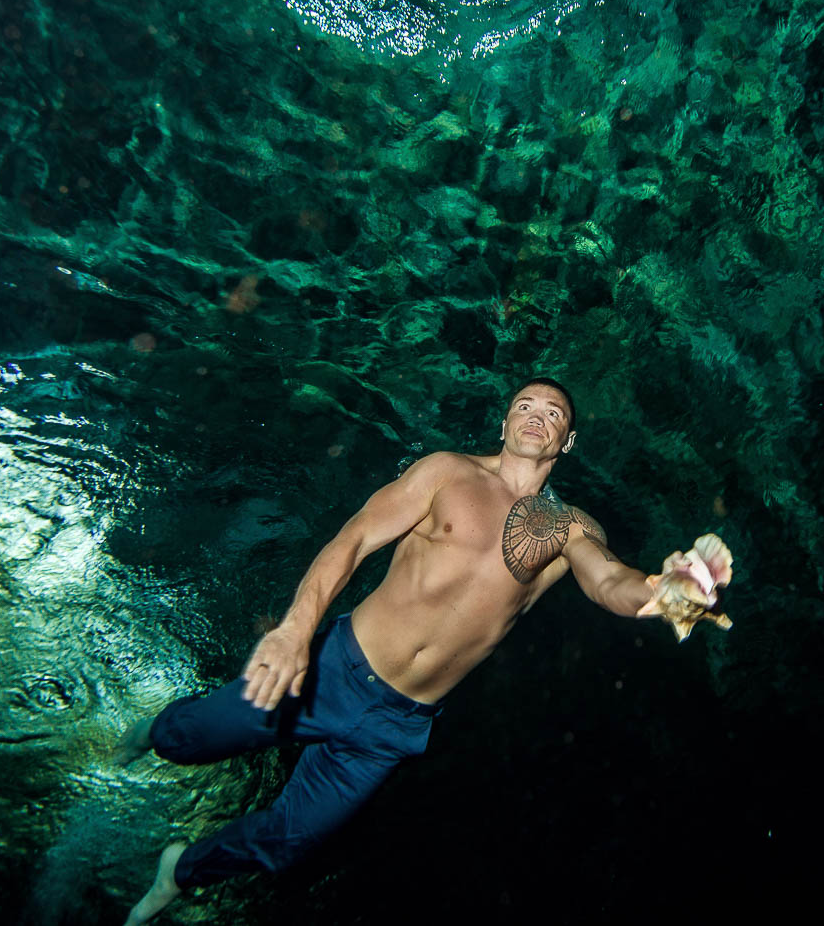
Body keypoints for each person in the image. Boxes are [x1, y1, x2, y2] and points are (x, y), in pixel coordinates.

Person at [117, 377, 729, 924]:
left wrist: (667, 591)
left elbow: (608, 582)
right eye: (525, 405)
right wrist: (295, 631)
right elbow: (353, 540)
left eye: (554, 413)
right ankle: (156, 730)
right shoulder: (447, 473)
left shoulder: (569, 526)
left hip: (398, 724)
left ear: (566, 442)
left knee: (287, 843)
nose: (536, 416)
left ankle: (181, 870)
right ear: (505, 421)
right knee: (188, 740)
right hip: (336, 668)